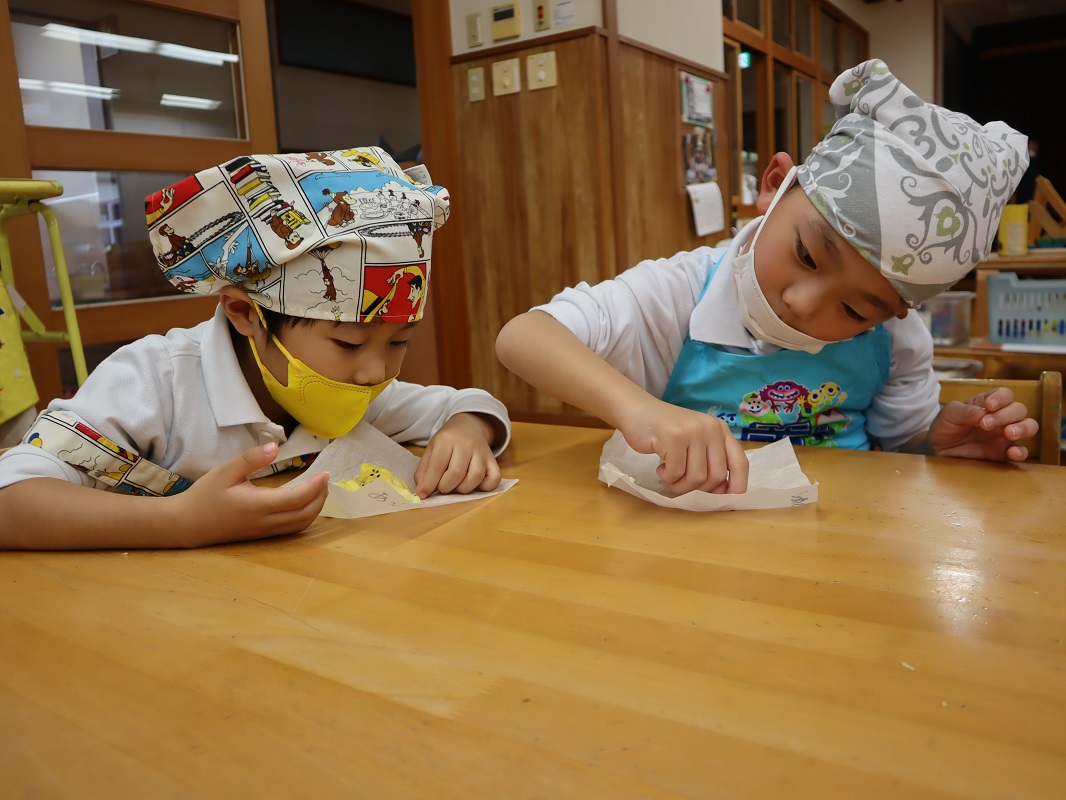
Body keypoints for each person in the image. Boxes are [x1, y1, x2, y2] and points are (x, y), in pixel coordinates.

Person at [496, 59, 1036, 496]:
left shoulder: (896, 339)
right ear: (774, 186)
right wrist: (642, 410)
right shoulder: (680, 292)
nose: (802, 302)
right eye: (806, 255)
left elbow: (901, 448)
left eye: (853, 310)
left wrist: (936, 443)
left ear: (895, 312)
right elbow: (523, 336)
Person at [0, 147, 510, 549]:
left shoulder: (356, 394)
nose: (374, 372)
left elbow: (471, 403)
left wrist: (467, 431)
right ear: (245, 313)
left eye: (399, 342)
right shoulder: (153, 382)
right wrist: (180, 521)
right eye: (347, 343)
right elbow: (11, 498)